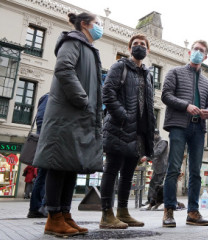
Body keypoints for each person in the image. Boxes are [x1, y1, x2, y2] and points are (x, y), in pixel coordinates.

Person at [33, 12, 104, 237]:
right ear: (84, 24)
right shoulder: (73, 41)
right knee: (59, 165)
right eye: (97, 24)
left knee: (71, 166)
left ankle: (64, 214)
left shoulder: (87, 47)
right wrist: (82, 99)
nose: (100, 28)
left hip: (77, 117)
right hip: (67, 116)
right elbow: (64, 69)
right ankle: (53, 218)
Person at [100, 33, 155, 229]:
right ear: (130, 48)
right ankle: (107, 214)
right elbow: (107, 93)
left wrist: (149, 131)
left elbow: (149, 105)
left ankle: (123, 211)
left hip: (138, 132)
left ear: (147, 50)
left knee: (128, 173)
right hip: (119, 128)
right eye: (135, 44)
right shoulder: (119, 66)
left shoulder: (148, 75)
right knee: (112, 170)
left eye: (143, 44)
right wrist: (123, 116)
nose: (139, 46)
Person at [161, 39, 208, 227]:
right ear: (190, 52)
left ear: (205, 56)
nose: (198, 52)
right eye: (195, 49)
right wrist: (186, 106)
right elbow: (165, 95)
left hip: (198, 128)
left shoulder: (207, 82)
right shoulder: (175, 72)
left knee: (195, 172)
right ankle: (168, 211)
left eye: (202, 50)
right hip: (178, 126)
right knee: (173, 168)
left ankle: (192, 212)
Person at [27, 93, 49, 218]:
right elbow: (41, 120)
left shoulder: (46, 97)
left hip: (45, 140)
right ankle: (37, 208)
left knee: (43, 175)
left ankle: (38, 207)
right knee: (43, 175)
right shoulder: (49, 97)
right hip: (47, 141)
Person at [143, 129, 168, 210]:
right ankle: (150, 200)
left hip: (162, 167)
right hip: (157, 166)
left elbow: (158, 152)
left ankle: (155, 201)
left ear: (156, 134)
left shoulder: (163, 142)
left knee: (157, 185)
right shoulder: (155, 142)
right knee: (152, 183)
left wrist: (147, 157)